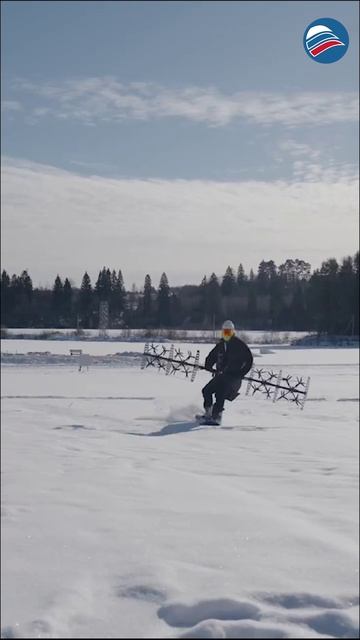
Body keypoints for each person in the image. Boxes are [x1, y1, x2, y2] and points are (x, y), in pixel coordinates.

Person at [201, 320, 253, 423]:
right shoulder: (221, 344)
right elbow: (212, 356)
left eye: (228, 332)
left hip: (233, 378)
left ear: (233, 332)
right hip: (221, 376)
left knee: (220, 393)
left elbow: (249, 360)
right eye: (224, 332)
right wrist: (208, 366)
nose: (226, 334)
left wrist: (240, 374)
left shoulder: (239, 345)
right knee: (206, 390)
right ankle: (209, 413)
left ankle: (217, 416)